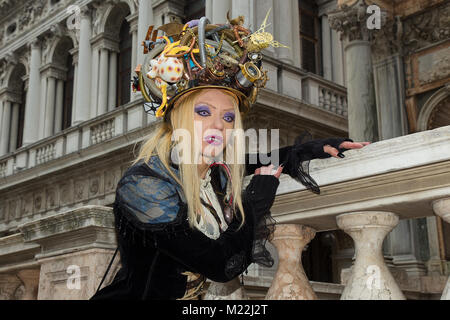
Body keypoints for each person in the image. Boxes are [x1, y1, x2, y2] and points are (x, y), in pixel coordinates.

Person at [90, 16, 369, 300]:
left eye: (227, 117)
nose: (218, 126)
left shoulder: (214, 172)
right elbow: (222, 265)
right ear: (179, 117)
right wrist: (257, 199)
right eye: (203, 112)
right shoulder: (143, 187)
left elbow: (266, 158)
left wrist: (318, 148)